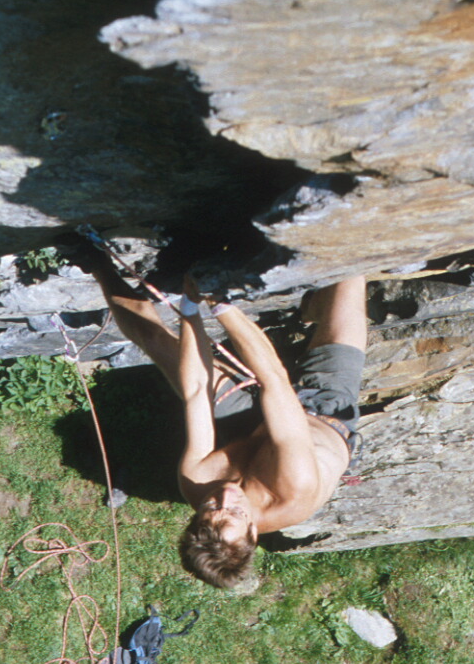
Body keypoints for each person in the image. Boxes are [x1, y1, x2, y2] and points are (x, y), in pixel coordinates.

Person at [79, 243, 367, 588]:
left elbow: (197, 391)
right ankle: (319, 308)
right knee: (352, 273)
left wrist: (190, 309)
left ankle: (95, 262)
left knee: (156, 341)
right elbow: (274, 381)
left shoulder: (197, 483)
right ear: (253, 531)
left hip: (250, 427)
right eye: (235, 512)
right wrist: (219, 304)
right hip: (323, 410)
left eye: (211, 507)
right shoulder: (294, 488)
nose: (226, 495)